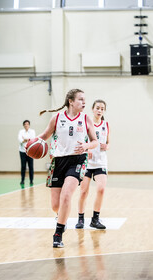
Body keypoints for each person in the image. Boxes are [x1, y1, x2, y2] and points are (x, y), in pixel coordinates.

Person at [37, 89, 98, 248]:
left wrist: (86, 146)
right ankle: (60, 215)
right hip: (58, 161)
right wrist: (31, 144)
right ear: (71, 101)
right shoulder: (57, 118)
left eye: (85, 100)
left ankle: (58, 233)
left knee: (66, 196)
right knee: (55, 205)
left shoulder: (86, 119)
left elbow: (95, 142)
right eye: (80, 99)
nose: (84, 102)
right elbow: (44, 136)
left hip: (77, 160)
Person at [75, 99, 109, 230]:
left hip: (101, 161)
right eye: (97, 108)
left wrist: (107, 146)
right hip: (87, 162)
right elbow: (82, 140)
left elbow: (109, 142)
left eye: (102, 108)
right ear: (93, 109)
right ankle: (80, 218)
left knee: (101, 189)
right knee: (83, 192)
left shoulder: (106, 125)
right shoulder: (86, 124)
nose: (99, 110)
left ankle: (95, 219)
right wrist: (87, 148)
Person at [18, 120, 36, 186]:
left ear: (29, 125)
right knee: (23, 166)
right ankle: (22, 180)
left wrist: (25, 139)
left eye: (27, 124)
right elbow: (20, 140)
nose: (26, 125)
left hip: (30, 151)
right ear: (23, 125)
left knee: (31, 166)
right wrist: (26, 139)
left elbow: (32, 140)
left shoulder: (32, 131)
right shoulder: (21, 132)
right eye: (25, 124)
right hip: (22, 151)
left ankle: (31, 180)